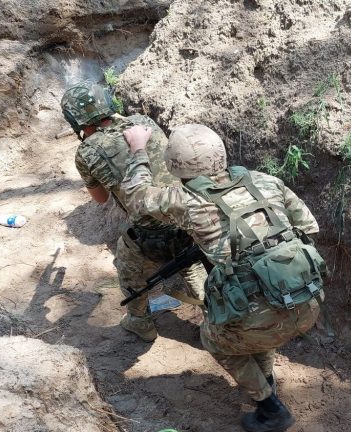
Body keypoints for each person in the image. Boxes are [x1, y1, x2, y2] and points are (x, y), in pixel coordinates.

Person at [120, 123, 324, 432]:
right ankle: (266, 377)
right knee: (253, 313)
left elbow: (136, 197)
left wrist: (138, 149)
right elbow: (309, 228)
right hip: (305, 299)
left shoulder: (182, 197)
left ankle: (270, 408)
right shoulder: (266, 181)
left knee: (215, 339)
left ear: (174, 163)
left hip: (260, 318)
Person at [61, 82, 206, 342]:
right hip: (188, 215)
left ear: (75, 120)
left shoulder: (86, 151)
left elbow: (101, 198)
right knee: (192, 264)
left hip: (151, 232)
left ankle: (140, 322)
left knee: (127, 264)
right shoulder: (142, 121)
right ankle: (215, 315)